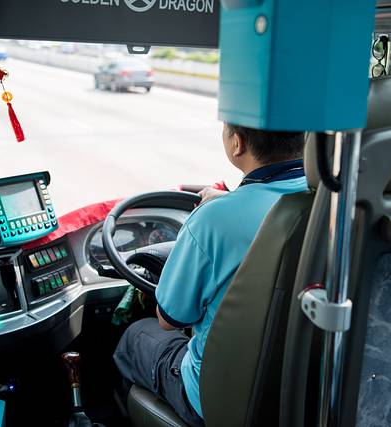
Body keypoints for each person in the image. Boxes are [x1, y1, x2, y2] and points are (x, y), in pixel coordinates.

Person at [113, 123, 307, 426]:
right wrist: (228, 200)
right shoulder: (328, 202)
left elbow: (170, 319)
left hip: (216, 396)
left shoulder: (212, 220)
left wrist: (220, 208)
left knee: (135, 336)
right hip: (299, 388)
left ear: (237, 143)